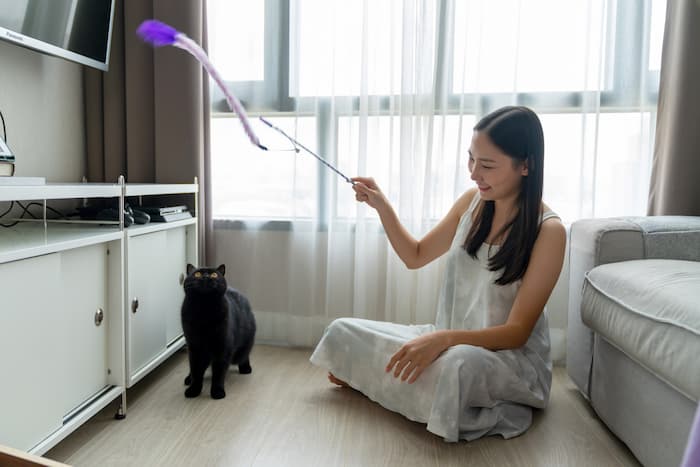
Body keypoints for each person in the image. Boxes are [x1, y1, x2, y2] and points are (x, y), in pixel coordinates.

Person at [309, 106, 567, 442]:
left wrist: (442, 339)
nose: (474, 173)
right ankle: (412, 390)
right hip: (446, 341)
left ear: (526, 165)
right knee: (342, 330)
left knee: (455, 367)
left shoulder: (549, 231)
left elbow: (516, 333)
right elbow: (415, 256)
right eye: (471, 159)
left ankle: (379, 382)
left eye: (487, 165)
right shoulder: (471, 203)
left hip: (502, 360)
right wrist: (382, 206)